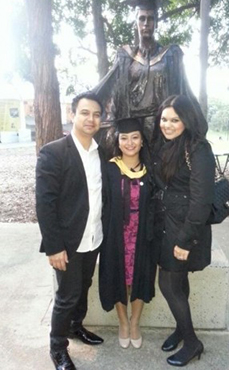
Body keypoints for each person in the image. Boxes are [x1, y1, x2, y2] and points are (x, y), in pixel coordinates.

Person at [36, 91, 107, 370]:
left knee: (84, 286)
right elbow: (45, 203)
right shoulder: (54, 152)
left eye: (97, 114)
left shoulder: (101, 152)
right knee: (66, 297)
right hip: (66, 242)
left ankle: (76, 327)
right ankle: (58, 348)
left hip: (94, 237)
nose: (91, 119)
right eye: (85, 113)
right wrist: (53, 247)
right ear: (73, 115)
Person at [151, 95, 215, 367]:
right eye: (164, 119)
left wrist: (186, 240)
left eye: (175, 120)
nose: (167, 124)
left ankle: (192, 342)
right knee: (178, 281)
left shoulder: (198, 149)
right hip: (167, 225)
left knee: (168, 282)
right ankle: (181, 328)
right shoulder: (167, 146)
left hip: (186, 229)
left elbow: (201, 199)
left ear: (187, 120)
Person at [93, 0, 207, 142]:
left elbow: (182, 89)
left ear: (156, 23)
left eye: (150, 18)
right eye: (142, 18)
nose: (146, 23)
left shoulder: (170, 55)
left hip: (161, 126)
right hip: (133, 127)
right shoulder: (125, 56)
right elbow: (113, 91)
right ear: (136, 23)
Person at [99, 118, 156, 349]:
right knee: (118, 277)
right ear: (118, 141)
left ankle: (135, 323)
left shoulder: (150, 170)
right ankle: (122, 322)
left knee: (141, 276)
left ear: (142, 141)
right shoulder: (110, 169)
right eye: (124, 138)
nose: (129, 142)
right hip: (116, 235)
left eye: (134, 137)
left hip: (143, 234)